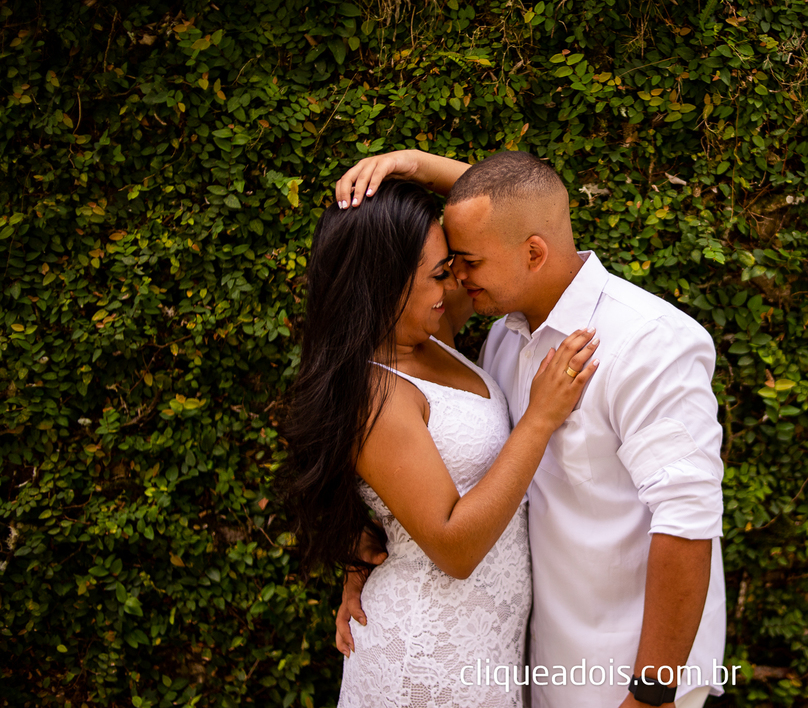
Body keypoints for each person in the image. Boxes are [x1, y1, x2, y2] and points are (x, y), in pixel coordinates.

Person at [334, 151, 727, 708]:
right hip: (530, 666)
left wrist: (652, 694)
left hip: (626, 674)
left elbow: (688, 522)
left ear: (534, 253)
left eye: (464, 261)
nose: (456, 279)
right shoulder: (504, 337)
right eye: (446, 267)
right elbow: (515, 209)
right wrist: (369, 558)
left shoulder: (648, 342)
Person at [274, 181, 601, 707]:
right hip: (425, 659)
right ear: (385, 284)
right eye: (438, 274)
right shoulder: (375, 392)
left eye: (450, 267)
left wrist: (413, 166)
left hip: (486, 647)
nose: (453, 284)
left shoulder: (430, 329)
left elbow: (525, 214)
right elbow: (454, 546)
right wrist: (539, 419)